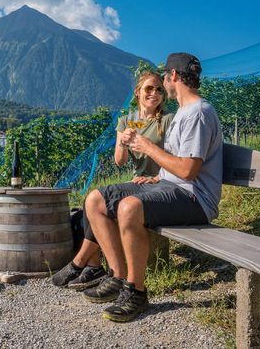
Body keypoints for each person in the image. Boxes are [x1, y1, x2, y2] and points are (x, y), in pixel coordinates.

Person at [82, 52, 223, 323]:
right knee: (95, 200)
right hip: (170, 187)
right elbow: (176, 166)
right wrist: (157, 177)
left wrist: (147, 147)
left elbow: (188, 171)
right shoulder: (184, 113)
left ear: (172, 76)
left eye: (163, 80)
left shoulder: (198, 113)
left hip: (196, 199)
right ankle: (118, 275)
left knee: (129, 207)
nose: (161, 86)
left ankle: (135, 291)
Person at [51, 71, 174, 289]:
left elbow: (175, 157)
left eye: (159, 90)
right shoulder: (127, 121)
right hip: (138, 182)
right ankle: (94, 265)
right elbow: (119, 161)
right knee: (92, 201)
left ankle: (83, 263)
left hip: (159, 183)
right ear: (137, 92)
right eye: (149, 89)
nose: (154, 93)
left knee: (98, 200)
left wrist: (157, 176)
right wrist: (123, 142)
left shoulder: (167, 120)